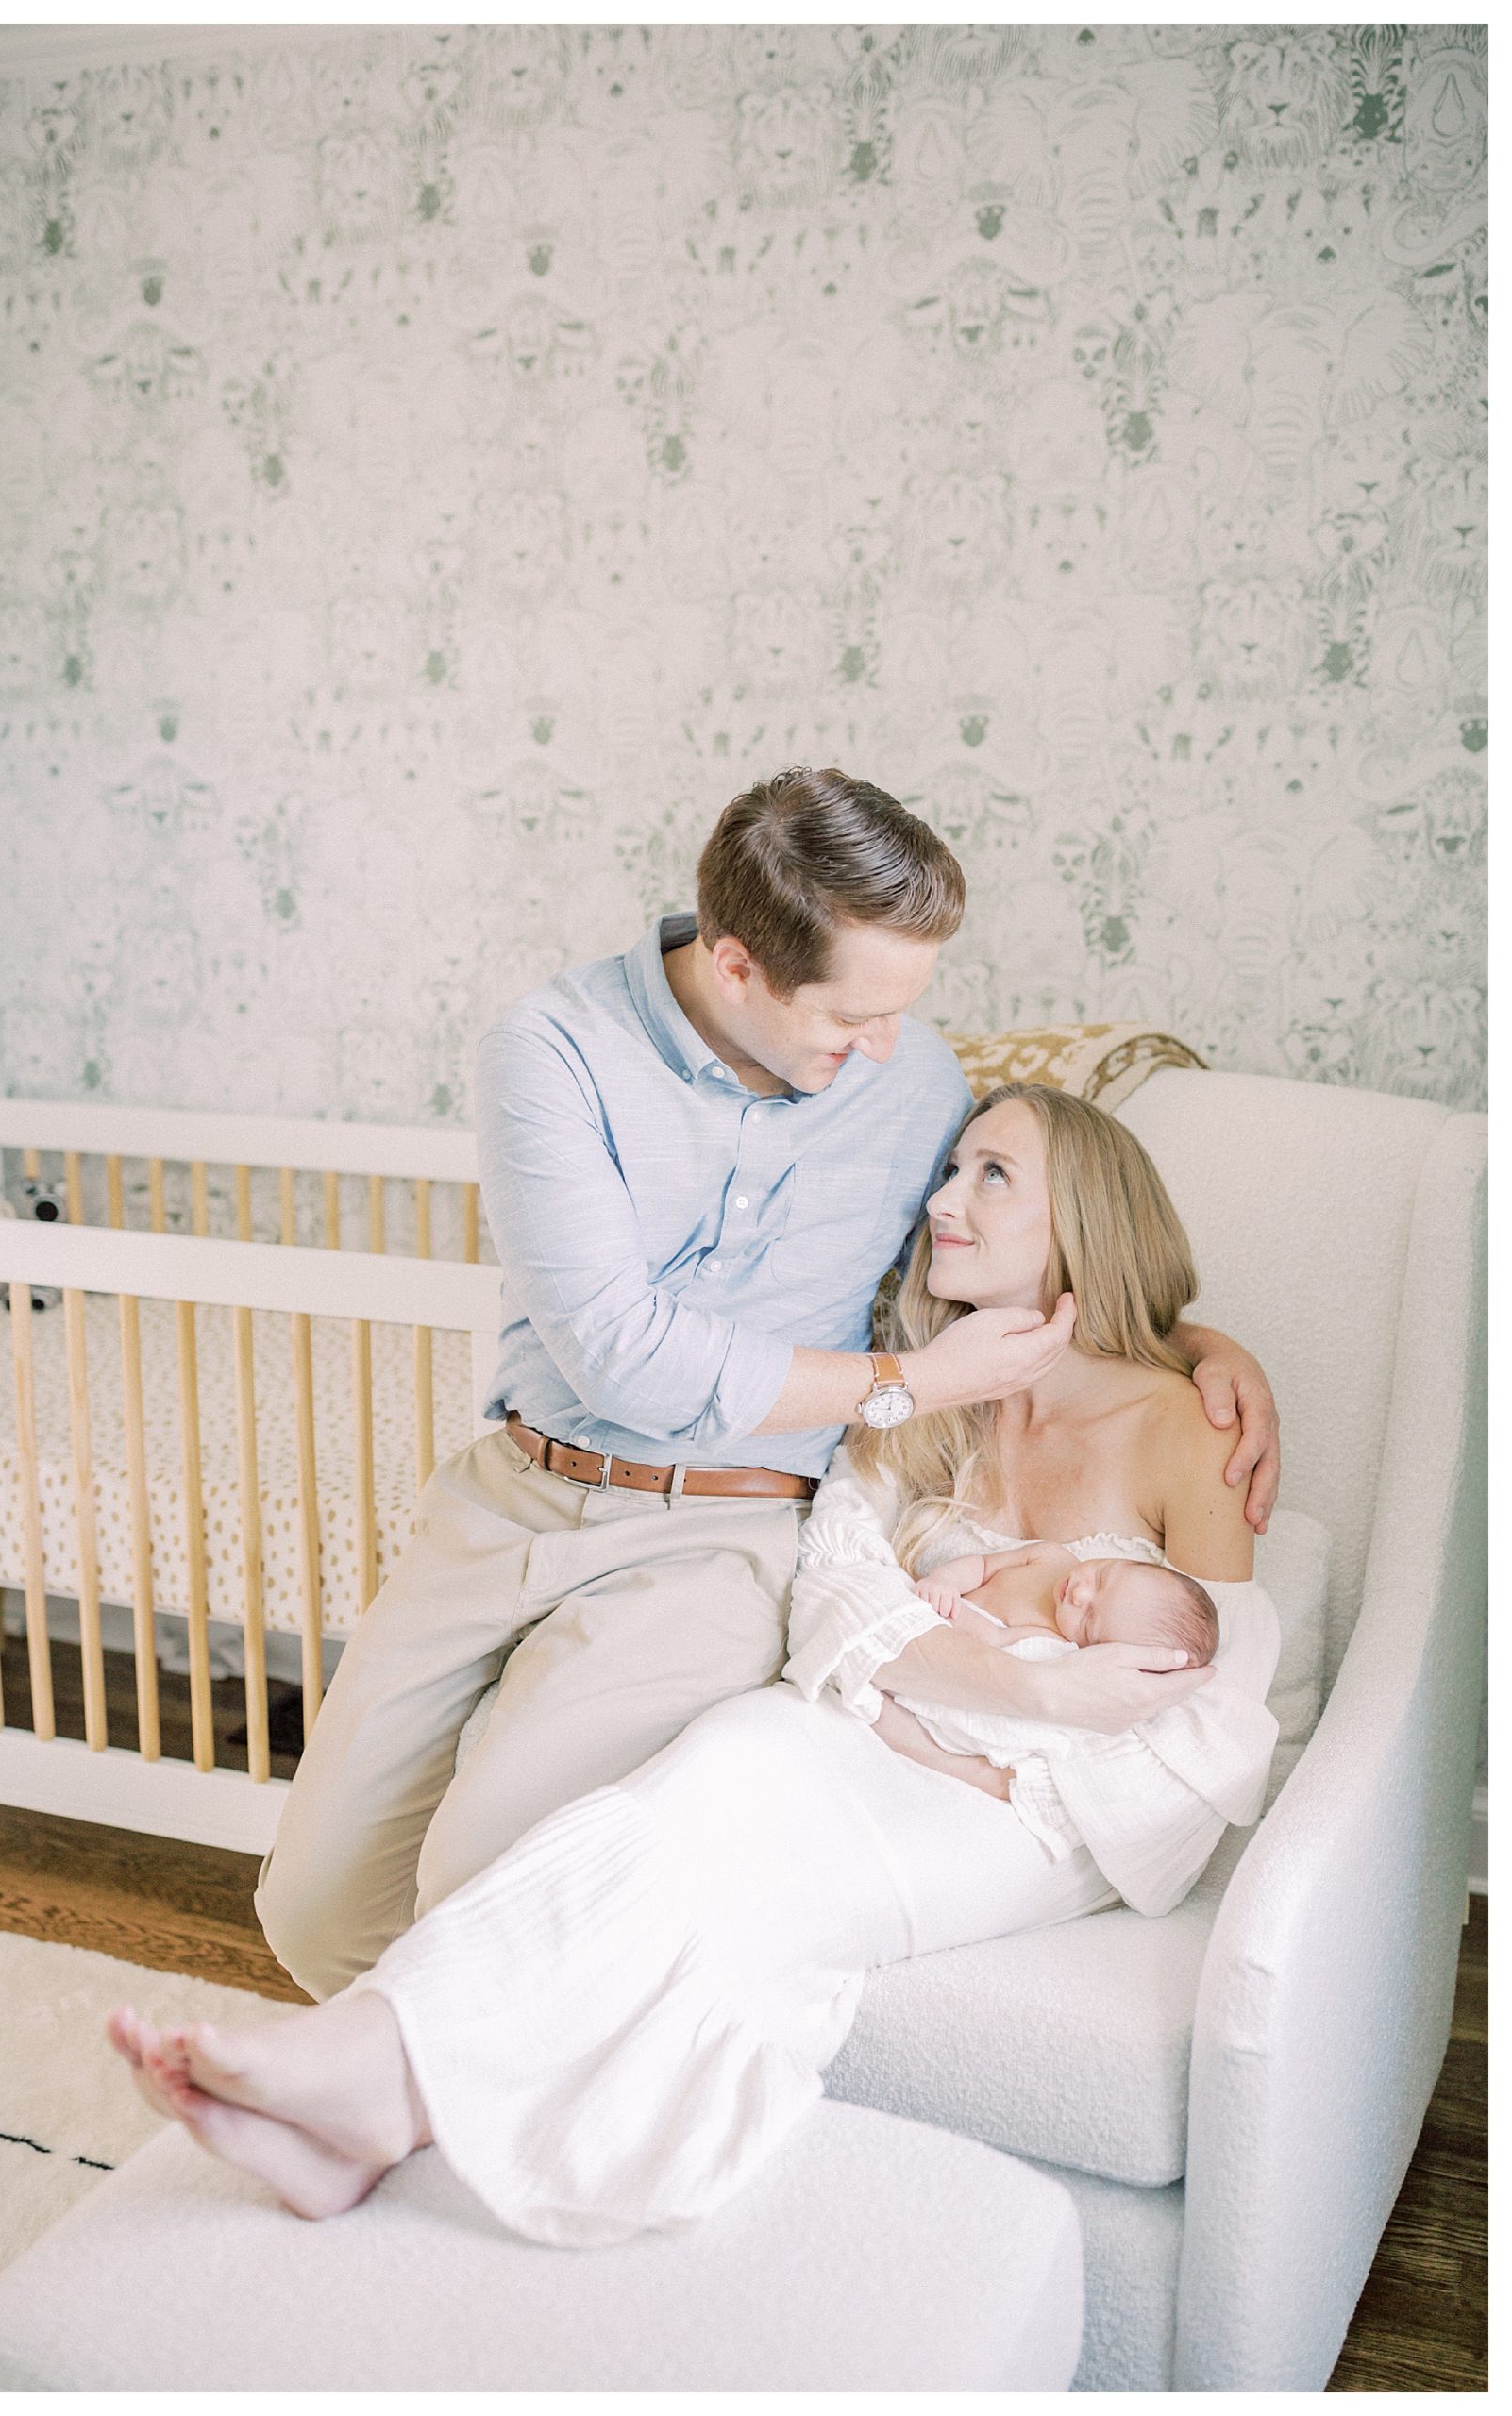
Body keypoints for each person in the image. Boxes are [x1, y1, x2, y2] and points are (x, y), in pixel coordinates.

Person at [109, 1083, 1283, 2249]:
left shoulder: (1181, 1427)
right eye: (951, 1165)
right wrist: (1014, 1685)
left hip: (1027, 1809)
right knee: (702, 1774)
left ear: (1078, 1219)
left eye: (991, 1175)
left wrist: (978, 1725)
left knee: (735, 1876)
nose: (941, 1198)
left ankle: (374, 2078)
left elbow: (1214, 1716)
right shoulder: (913, 1397)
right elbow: (833, 1585)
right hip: (873, 1731)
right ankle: (374, 2086)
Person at [257, 767, 1280, 2000]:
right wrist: (898, 1381)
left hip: (723, 1530)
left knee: (480, 1885)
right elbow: (617, 1351)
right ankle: (431, 2102)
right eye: (851, 1020)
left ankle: (416, 2120)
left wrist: (1190, 1346)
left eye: (904, 1011)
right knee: (312, 1912)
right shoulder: (553, 1052)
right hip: (514, 1495)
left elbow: (1028, 1239)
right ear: (736, 966)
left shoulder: (907, 1087)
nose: (887, 1051)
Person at [869, 1541, 1221, 1812]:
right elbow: (985, 1566)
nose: (1080, 1593)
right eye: (1103, 1577)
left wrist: (949, 1611)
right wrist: (945, 1582)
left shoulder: (1049, 1637)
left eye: (1089, 1619)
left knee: (894, 1715)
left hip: (949, 1635)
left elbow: (991, 1639)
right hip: (941, 1594)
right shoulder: (1052, 1556)